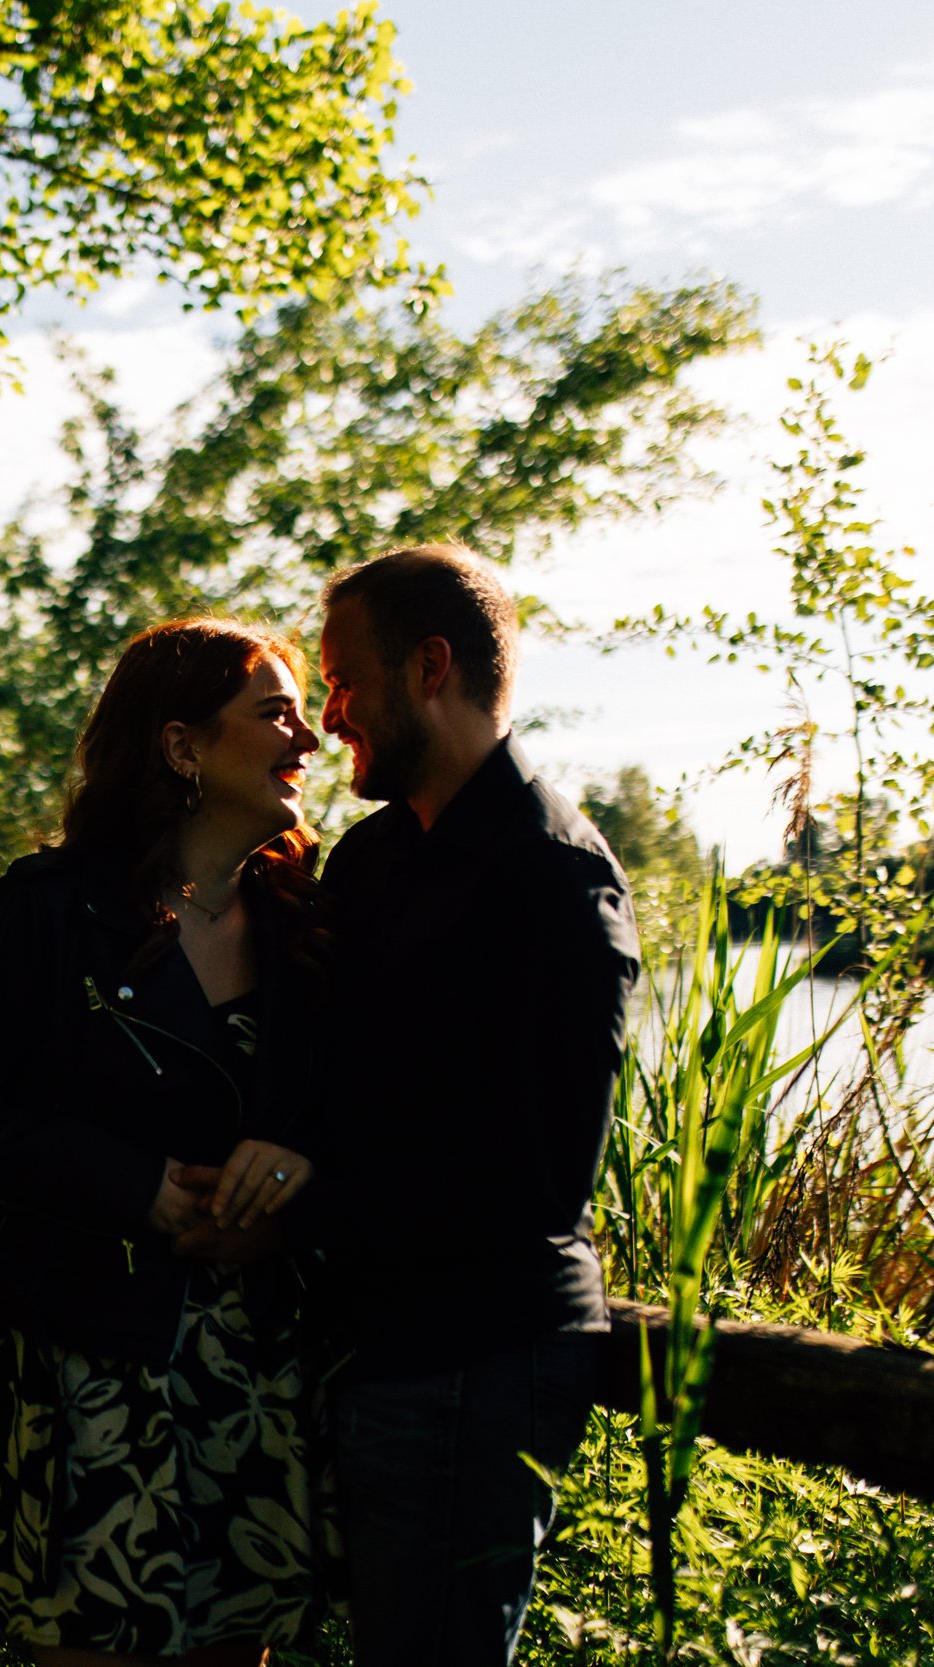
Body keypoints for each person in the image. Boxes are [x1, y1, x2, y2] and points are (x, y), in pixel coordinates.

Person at [0, 618, 333, 1666]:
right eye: (272, 712)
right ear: (180, 746)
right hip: (83, 1355)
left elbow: (355, 1110)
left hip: (248, 1362)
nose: (306, 738)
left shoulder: (307, 922)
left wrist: (302, 1177)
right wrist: (127, 1185)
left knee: (233, 1643)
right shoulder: (44, 910)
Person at [306, 544, 641, 1665]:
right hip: (369, 1339)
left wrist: (313, 1187)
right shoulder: (369, 861)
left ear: (429, 666)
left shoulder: (552, 876)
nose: (329, 712)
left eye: (344, 679)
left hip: (475, 1354)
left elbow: (540, 1172)